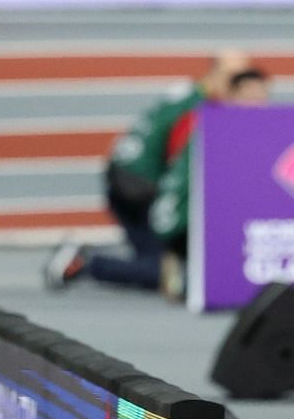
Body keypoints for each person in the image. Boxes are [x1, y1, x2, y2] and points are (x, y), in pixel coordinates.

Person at [51, 62, 269, 296]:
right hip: (139, 189)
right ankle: (86, 264)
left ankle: (122, 256)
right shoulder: (204, 117)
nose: (258, 102)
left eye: (262, 95)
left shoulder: (188, 99)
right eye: (250, 94)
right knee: (167, 274)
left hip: (132, 182)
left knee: (161, 260)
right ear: (228, 89)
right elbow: (181, 169)